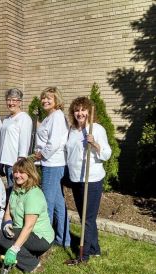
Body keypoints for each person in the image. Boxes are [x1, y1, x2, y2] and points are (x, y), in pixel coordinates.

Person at [66, 97, 112, 262]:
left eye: (83, 110)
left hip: (91, 179)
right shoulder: (72, 130)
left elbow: (107, 154)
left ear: (89, 112)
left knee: (87, 218)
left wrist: (95, 144)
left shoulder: (96, 129)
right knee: (84, 217)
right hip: (76, 178)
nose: (80, 113)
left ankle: (83, 256)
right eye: (77, 110)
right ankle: (94, 249)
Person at [0, 158, 54, 273]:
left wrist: (14, 249)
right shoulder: (16, 189)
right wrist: (7, 225)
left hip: (39, 236)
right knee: (3, 236)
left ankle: (34, 265)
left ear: (30, 173)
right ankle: (32, 254)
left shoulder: (33, 194)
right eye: (15, 172)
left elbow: (29, 226)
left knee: (1, 238)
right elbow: (7, 213)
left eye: (22, 172)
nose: (17, 175)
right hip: (21, 230)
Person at [34, 87, 71, 248]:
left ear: (57, 100)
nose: (45, 101)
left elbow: (54, 142)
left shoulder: (57, 116)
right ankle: (64, 239)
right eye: (43, 98)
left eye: (49, 98)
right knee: (58, 204)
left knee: (47, 204)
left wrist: (42, 154)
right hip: (50, 163)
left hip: (53, 164)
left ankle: (44, 240)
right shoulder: (50, 117)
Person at [0, 88, 33, 191]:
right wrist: (0, 162)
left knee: (16, 189)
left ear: (20, 102)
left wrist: (20, 161)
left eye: (14, 100)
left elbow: (25, 141)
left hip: (15, 162)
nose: (11, 103)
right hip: (6, 161)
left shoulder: (24, 118)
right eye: (9, 100)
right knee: (11, 188)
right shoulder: (6, 119)